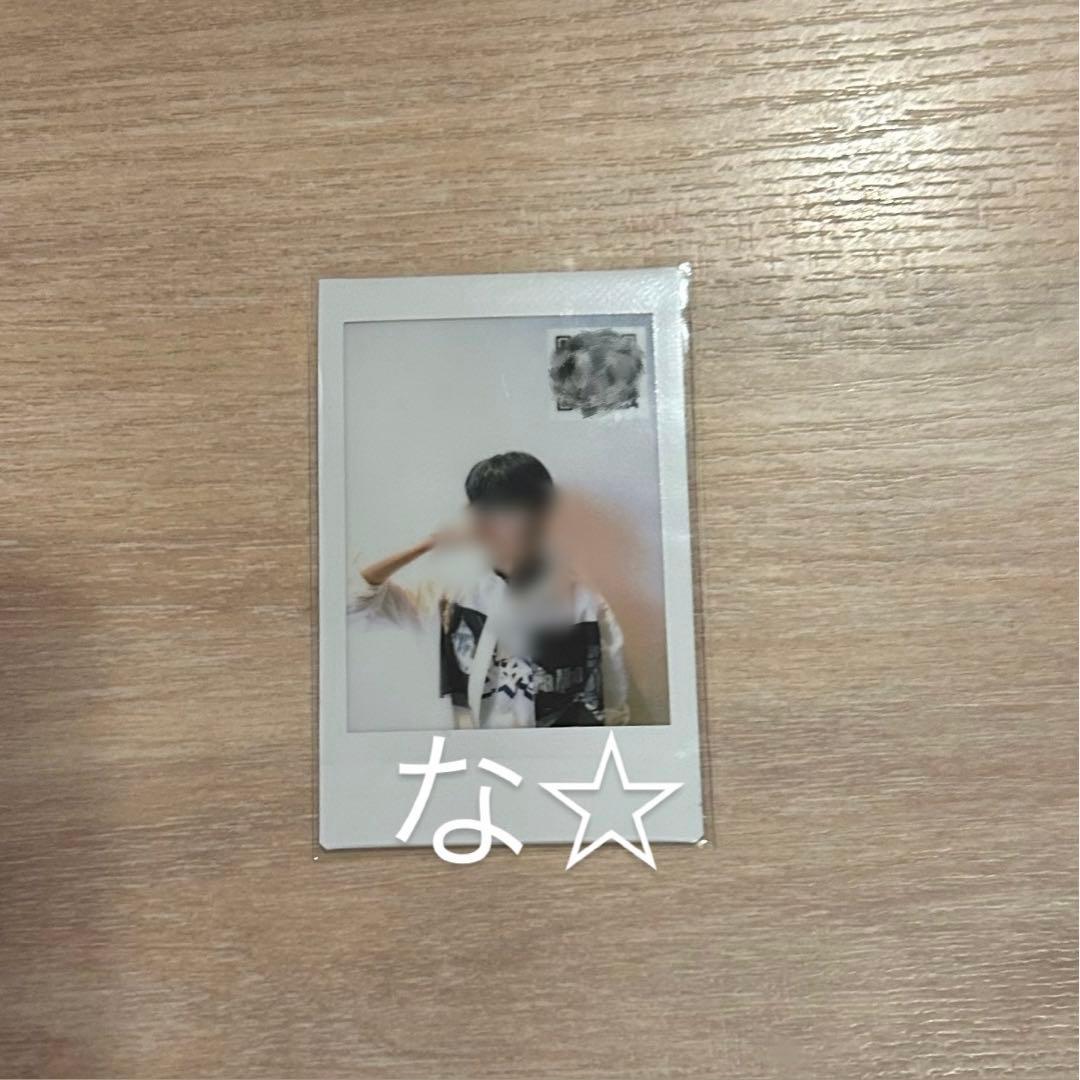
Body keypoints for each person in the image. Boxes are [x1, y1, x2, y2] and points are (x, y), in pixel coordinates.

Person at [350, 451, 629, 729]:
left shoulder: (584, 605)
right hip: (465, 750)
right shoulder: (448, 595)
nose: (485, 522)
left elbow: (611, 706)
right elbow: (351, 603)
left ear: (541, 516)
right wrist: (428, 544)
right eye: (481, 508)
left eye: (503, 509)